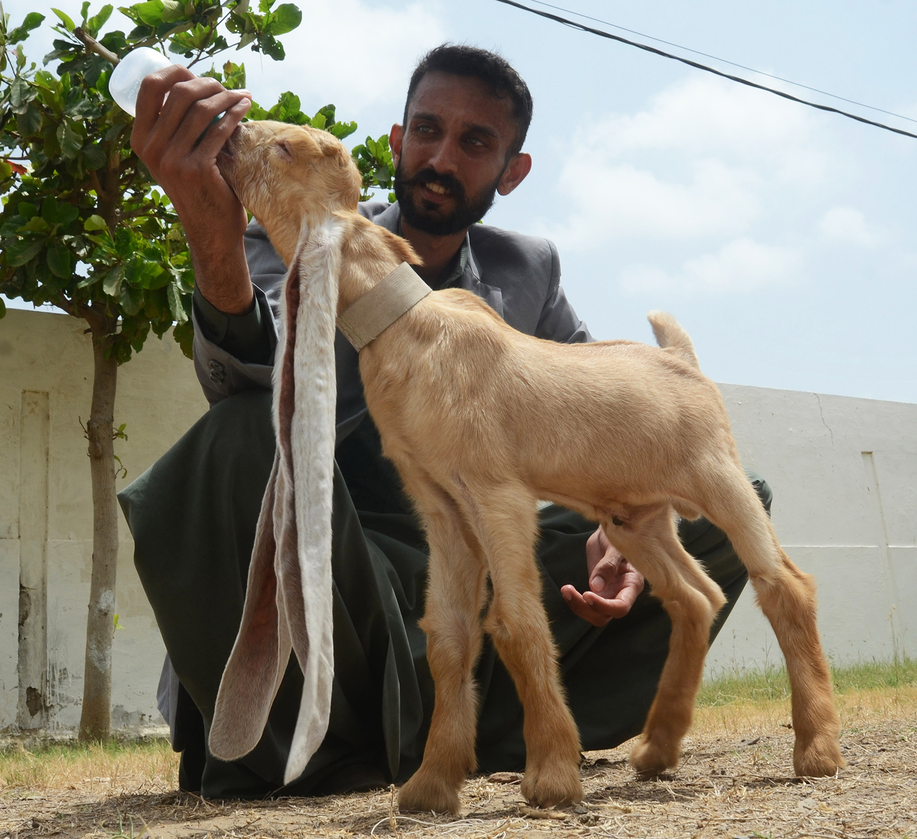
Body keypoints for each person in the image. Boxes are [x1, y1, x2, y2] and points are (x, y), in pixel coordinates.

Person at [120, 44, 769, 799]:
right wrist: (211, 233)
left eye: (475, 142)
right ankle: (385, 725)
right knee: (235, 439)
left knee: (727, 507)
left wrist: (621, 516)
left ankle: (447, 730)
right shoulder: (306, 224)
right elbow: (251, 382)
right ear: (396, 141)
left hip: (471, 553)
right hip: (344, 557)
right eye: (426, 130)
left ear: (511, 172)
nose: (441, 156)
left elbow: (601, 406)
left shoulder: (529, 270)